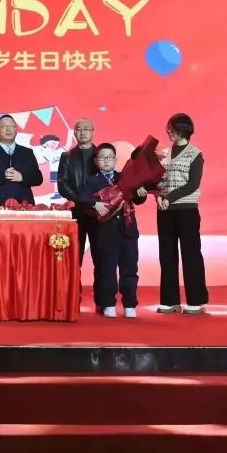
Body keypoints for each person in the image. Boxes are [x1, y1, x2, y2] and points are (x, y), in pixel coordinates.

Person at [76, 143, 147, 318]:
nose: (106, 161)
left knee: (130, 268)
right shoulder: (92, 181)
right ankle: (108, 303)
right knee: (106, 268)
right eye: (102, 157)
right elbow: (82, 198)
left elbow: (138, 200)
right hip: (105, 232)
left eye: (110, 157)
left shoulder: (125, 177)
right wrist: (95, 204)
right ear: (96, 161)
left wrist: (141, 193)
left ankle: (130, 303)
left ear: (115, 160)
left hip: (127, 230)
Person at [154, 113, 209, 315]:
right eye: (168, 127)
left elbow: (193, 184)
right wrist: (158, 196)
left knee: (191, 254)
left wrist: (170, 197)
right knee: (166, 255)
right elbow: (158, 180)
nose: (169, 131)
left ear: (183, 129)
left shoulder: (195, 154)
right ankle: (169, 301)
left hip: (187, 210)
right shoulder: (164, 153)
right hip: (164, 211)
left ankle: (196, 300)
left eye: (173, 128)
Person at [0, 114, 43, 204]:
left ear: (16, 130)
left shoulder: (27, 152)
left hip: (24, 205)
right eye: (4, 126)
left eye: (12, 126)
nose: (8, 129)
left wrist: (22, 177)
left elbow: (38, 178)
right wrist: (2, 175)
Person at [56, 118, 97, 262]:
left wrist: (94, 203)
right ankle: (74, 278)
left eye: (86, 129)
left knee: (101, 256)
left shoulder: (101, 155)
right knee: (74, 256)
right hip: (76, 211)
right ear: (74, 133)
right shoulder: (67, 156)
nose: (82, 132)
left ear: (93, 132)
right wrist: (81, 201)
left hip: (98, 212)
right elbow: (62, 184)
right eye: (79, 129)